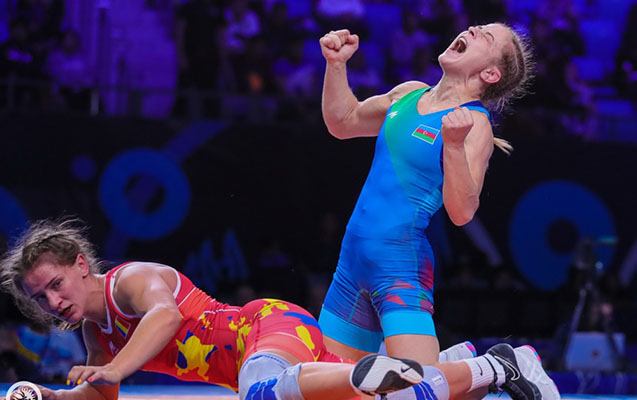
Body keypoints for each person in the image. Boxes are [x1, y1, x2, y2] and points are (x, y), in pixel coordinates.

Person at [2, 218, 537, 400]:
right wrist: (53, 396)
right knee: (394, 399)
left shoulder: (129, 281)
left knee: (259, 393)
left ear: (81, 264)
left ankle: (367, 372)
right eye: (39, 298)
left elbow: (165, 317)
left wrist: (116, 367)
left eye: (55, 285)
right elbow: (101, 394)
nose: (52, 303)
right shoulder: (97, 336)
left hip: (266, 328)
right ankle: (491, 366)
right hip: (279, 368)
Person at [318, 26, 560, 400]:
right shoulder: (407, 94)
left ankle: (505, 365)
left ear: (490, 74)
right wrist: (336, 65)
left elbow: (462, 212)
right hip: (351, 265)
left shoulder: (475, 123)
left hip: (399, 267)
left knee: (417, 393)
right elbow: (343, 121)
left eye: (486, 37)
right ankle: (456, 362)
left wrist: (453, 145)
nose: (473, 28)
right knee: (334, 393)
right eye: (477, 27)